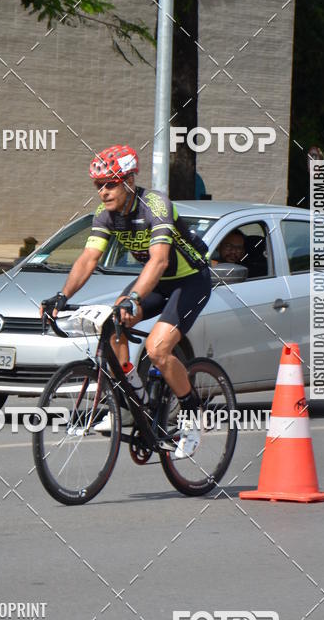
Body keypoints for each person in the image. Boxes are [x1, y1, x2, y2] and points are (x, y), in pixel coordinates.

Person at [40, 144, 212, 457]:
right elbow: (89, 258)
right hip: (157, 281)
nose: (103, 192)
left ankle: (191, 414)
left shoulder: (155, 206)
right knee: (112, 323)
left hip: (189, 280)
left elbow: (159, 260)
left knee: (157, 349)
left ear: (129, 181)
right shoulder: (105, 216)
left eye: (110, 184)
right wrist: (62, 296)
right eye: (98, 186)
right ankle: (134, 400)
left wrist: (133, 298)